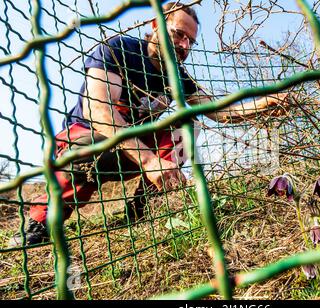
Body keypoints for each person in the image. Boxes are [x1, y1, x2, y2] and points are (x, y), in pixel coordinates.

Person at [9, 2, 290, 247]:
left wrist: (265, 104)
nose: (183, 46)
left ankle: (143, 205)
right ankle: (40, 221)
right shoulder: (118, 49)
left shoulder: (177, 77)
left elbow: (219, 111)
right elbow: (99, 111)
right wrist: (148, 160)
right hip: (89, 140)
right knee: (85, 150)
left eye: (190, 41)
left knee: (186, 124)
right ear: (156, 25)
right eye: (178, 34)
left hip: (135, 151)